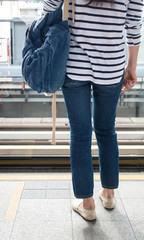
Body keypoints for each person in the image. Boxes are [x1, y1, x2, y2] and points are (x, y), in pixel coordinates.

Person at [41, 0, 143, 220]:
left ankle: (87, 204)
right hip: (111, 67)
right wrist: (132, 67)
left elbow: (48, 8)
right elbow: (133, 26)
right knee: (106, 130)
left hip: (74, 64)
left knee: (80, 134)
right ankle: (108, 194)